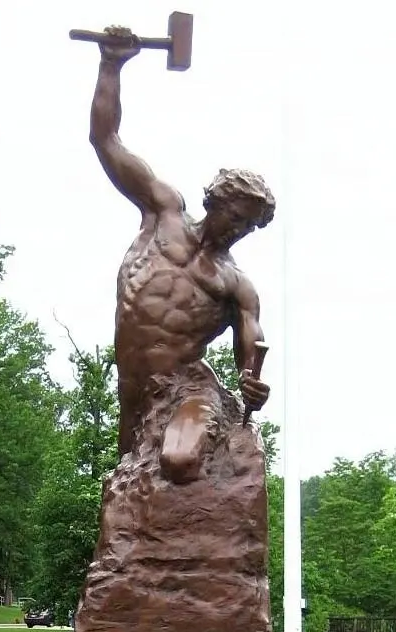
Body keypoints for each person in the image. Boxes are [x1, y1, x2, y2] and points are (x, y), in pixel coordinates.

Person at [89, 27, 275, 482]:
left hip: (187, 387)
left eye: (251, 225)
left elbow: (250, 352)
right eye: (238, 214)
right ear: (216, 200)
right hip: (135, 384)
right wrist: (111, 65)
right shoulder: (162, 211)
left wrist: (253, 385)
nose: (241, 229)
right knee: (130, 476)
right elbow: (105, 139)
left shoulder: (236, 286)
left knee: (178, 461)